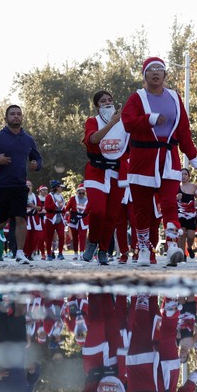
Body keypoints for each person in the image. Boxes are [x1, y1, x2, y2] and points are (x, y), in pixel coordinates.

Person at [121, 57, 197, 267]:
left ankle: (173, 245)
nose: (156, 73)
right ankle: (144, 248)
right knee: (142, 208)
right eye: (151, 70)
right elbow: (128, 122)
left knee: (168, 203)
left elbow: (183, 129)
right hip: (142, 158)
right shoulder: (136, 98)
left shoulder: (174, 97)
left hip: (169, 157)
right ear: (144, 75)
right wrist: (149, 119)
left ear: (165, 75)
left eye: (160, 69)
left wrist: (194, 159)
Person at [0, 105, 43, 265]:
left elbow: (37, 158)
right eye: (12, 114)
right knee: (2, 221)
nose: (16, 117)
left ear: (22, 117)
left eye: (18, 114)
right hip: (0, 186)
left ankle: (20, 253)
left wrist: (37, 164)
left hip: (20, 185)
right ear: (6, 118)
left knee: (20, 218)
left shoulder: (28, 140)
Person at [82, 90, 131, 266]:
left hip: (117, 173)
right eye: (103, 101)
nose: (108, 103)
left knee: (111, 216)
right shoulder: (92, 121)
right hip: (96, 171)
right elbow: (93, 139)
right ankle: (92, 242)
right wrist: (111, 123)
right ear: (97, 106)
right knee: (97, 211)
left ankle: (103, 250)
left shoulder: (124, 123)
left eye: (110, 99)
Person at [177, 168, 197, 259]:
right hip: (180, 213)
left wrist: (195, 203)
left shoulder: (194, 187)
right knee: (181, 234)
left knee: (191, 235)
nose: (183, 176)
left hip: (191, 214)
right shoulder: (176, 186)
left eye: (185, 174)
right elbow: (170, 198)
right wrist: (176, 197)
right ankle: (183, 254)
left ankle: (189, 247)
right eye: (181, 174)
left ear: (189, 176)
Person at [43, 180, 66, 260]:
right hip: (51, 219)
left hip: (60, 218)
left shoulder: (61, 196)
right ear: (56, 187)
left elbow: (63, 207)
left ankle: (60, 253)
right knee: (49, 237)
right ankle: (49, 254)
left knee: (62, 236)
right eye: (60, 187)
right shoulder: (49, 196)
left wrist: (65, 212)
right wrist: (56, 204)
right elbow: (47, 208)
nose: (61, 188)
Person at [65, 183, 89, 260]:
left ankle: (82, 253)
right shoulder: (73, 199)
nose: (81, 194)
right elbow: (67, 208)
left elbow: (90, 210)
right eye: (80, 193)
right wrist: (67, 213)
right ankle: (75, 254)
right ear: (77, 192)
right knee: (74, 237)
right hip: (74, 219)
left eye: (83, 193)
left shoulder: (88, 200)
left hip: (84, 220)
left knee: (82, 236)